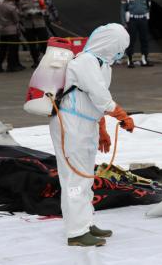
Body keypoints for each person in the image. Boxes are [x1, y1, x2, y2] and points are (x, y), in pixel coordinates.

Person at [49, 23, 135, 246]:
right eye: (120, 46)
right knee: (74, 177)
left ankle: (86, 222)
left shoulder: (103, 65)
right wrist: (121, 114)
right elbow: (100, 96)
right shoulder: (85, 61)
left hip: (86, 124)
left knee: (86, 175)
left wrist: (102, 128)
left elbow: (93, 100)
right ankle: (76, 232)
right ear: (111, 44)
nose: (121, 52)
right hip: (70, 123)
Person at [120, 0, 153, 68]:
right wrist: (124, 22)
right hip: (132, 20)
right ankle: (130, 60)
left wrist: (146, 15)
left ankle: (144, 60)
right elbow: (122, 9)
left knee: (144, 39)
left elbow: (149, 5)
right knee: (131, 40)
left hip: (143, 20)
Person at [19, 0, 49, 68]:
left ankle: (46, 61)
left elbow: (46, 10)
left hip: (40, 24)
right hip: (28, 26)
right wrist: (26, 14)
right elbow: (19, 13)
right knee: (32, 44)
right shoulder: (21, 1)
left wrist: (41, 12)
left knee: (44, 43)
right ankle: (36, 61)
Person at [0, 0, 25, 72]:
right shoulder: (12, 7)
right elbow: (16, 19)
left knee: (3, 49)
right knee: (13, 49)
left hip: (2, 31)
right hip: (12, 30)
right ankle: (11, 66)